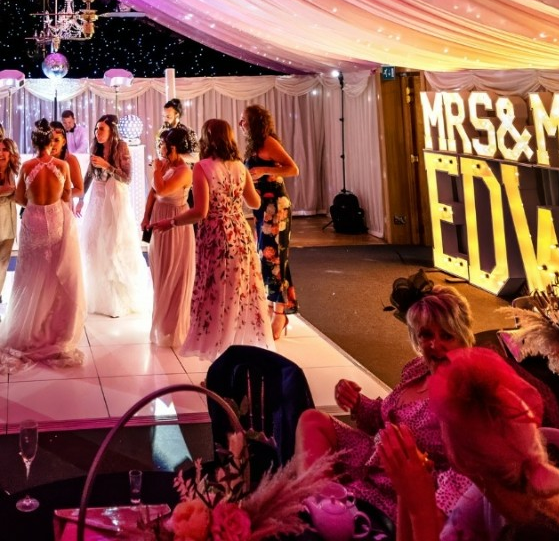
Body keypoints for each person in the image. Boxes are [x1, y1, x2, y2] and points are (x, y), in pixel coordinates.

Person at [378, 347, 559, 541]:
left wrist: (421, 510)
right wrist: (406, 492)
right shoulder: (493, 498)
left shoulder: (539, 534)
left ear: (462, 459)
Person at [295, 284, 476, 522]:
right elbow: (383, 419)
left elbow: (470, 472)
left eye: (446, 336)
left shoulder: (467, 390)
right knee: (313, 420)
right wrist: (357, 402)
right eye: (426, 335)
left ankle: (325, 518)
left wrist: (431, 509)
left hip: (404, 489)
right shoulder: (417, 369)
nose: (435, 345)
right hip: (375, 459)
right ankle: (320, 508)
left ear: (463, 337)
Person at [151, 118, 274, 359]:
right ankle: (238, 359)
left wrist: (172, 222)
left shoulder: (203, 167)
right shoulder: (240, 166)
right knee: (239, 296)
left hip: (217, 237)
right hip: (240, 233)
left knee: (218, 298)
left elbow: (200, 212)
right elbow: (255, 203)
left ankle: (220, 363)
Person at [0, 120, 85, 370]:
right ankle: (53, 329)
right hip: (56, 220)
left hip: (34, 221)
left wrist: (33, 200)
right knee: (54, 277)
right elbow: (67, 196)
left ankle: (31, 328)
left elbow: (19, 198)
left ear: (33, 143)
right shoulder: (62, 166)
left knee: (30, 275)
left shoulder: (27, 167)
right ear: (51, 143)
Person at [79, 114, 150, 317]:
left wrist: (107, 165)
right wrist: (81, 197)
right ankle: (98, 297)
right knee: (94, 244)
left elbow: (127, 178)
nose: (97, 133)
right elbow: (89, 175)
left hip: (115, 200)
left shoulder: (122, 148)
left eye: (101, 129)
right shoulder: (96, 147)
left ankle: (116, 300)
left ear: (111, 131)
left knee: (112, 245)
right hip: (97, 199)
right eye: (96, 129)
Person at [241, 103, 299, 337]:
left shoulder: (268, 143)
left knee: (274, 260)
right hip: (262, 209)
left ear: (255, 122)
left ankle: (280, 315)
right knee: (269, 259)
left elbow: (293, 169)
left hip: (276, 209)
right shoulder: (254, 145)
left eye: (244, 120)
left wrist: (265, 169)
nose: (241, 124)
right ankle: (272, 307)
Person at [142, 126, 195, 347]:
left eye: (162, 143)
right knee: (160, 272)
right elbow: (153, 193)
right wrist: (146, 217)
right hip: (158, 219)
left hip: (175, 224)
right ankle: (162, 323)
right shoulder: (166, 166)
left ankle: (173, 328)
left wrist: (156, 168)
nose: (160, 147)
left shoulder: (184, 170)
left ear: (172, 146)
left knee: (174, 273)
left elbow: (162, 189)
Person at [0, 137, 19, 303]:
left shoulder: (13, 172)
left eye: (4, 150)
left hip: (9, 221)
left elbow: (20, 197)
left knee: (3, 262)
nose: (1, 153)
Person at [50, 120, 84, 211]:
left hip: (63, 207)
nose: (52, 144)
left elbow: (80, 189)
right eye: (49, 139)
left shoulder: (70, 160)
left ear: (64, 142)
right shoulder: (41, 159)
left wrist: (56, 195)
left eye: (56, 140)